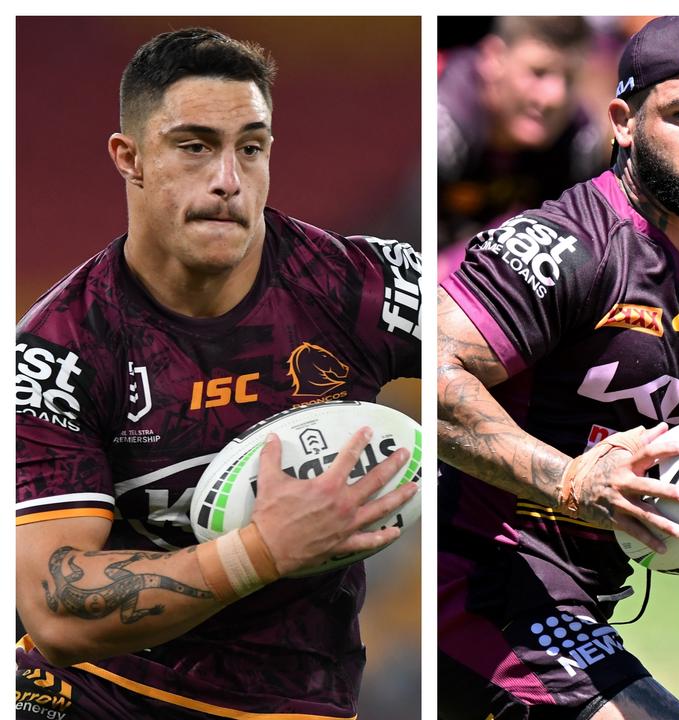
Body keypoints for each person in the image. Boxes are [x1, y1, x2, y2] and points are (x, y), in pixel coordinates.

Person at [14, 28, 422, 719]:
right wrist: (263, 551)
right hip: (102, 693)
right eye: (195, 146)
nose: (228, 179)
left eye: (251, 148)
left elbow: (493, 349)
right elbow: (57, 613)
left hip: (296, 701)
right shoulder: (57, 352)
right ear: (130, 157)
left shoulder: (363, 288)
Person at [438, 16, 679, 719]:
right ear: (623, 123)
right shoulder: (564, 246)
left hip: (580, 595)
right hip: (474, 578)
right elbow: (425, 381)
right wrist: (567, 480)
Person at [438, 16, 605, 279]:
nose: (554, 97)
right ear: (493, 58)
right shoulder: (440, 122)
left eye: (570, 78)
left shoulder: (578, 143)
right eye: (538, 72)